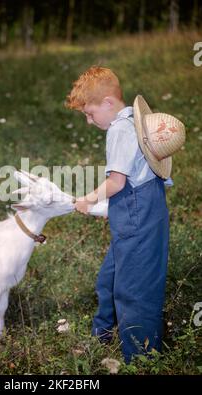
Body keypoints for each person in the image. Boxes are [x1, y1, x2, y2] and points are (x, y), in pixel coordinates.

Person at [65, 66, 185, 363]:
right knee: (110, 277)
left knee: (135, 286)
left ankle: (140, 355)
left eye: (90, 113)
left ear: (108, 102)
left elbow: (117, 182)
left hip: (137, 216)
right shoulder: (137, 122)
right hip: (142, 209)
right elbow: (139, 177)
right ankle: (103, 334)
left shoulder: (119, 129)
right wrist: (115, 210)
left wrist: (87, 199)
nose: (90, 121)